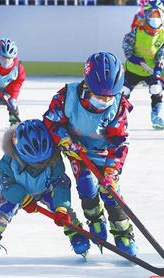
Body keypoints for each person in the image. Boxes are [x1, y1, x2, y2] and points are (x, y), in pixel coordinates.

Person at [43, 52, 137, 256]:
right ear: (87, 85)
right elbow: (51, 122)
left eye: (109, 97)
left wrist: (111, 173)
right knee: (86, 185)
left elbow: (119, 142)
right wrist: (64, 139)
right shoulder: (66, 96)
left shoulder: (118, 105)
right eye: (100, 96)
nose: (105, 101)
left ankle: (123, 231)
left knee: (110, 193)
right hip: (78, 152)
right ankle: (94, 219)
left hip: (104, 153)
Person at [0, 119, 90, 262]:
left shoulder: (55, 158)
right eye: (33, 162)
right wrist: (22, 198)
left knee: (62, 209)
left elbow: (60, 183)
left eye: (43, 161)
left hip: (44, 190)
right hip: (15, 192)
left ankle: (75, 232)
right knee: (6, 209)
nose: (39, 165)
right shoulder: (9, 161)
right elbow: (5, 184)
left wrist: (61, 207)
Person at [122, 0, 164, 130]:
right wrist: (132, 57)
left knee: (156, 89)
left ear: (162, 16)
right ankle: (119, 117)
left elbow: (163, 53)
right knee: (123, 92)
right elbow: (126, 43)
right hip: (134, 69)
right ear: (146, 16)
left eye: (157, 15)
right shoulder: (138, 31)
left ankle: (156, 116)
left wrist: (158, 69)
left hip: (151, 70)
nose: (155, 18)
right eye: (152, 15)